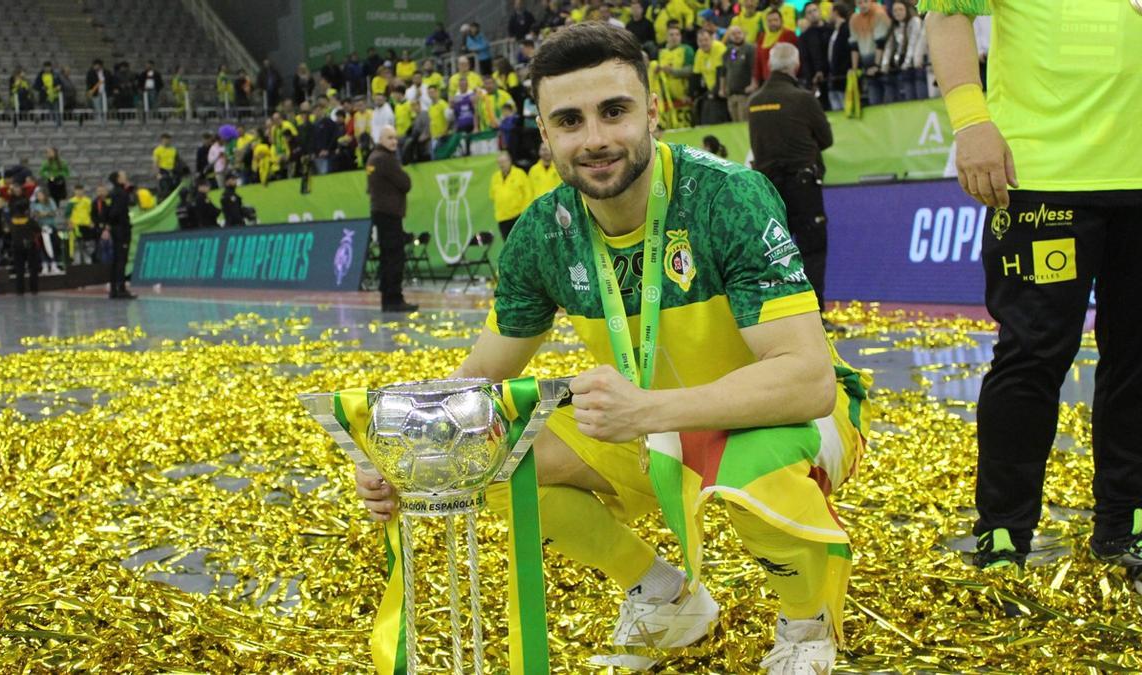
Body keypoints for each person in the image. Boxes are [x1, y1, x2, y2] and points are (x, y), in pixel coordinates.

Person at [355, 23, 870, 673]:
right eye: (569, 120)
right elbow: (482, 375)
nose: (594, 138)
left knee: (749, 462)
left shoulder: (725, 198)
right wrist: (407, 452)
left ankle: (807, 623)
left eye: (614, 111)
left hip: (782, 416)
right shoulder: (544, 233)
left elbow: (806, 380)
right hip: (649, 418)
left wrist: (649, 411)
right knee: (489, 454)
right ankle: (666, 596)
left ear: (653, 112)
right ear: (545, 135)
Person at [920, 0, 1142, 586]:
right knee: (1031, 358)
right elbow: (945, 12)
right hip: (1041, 176)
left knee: (1137, 358)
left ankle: (1127, 520)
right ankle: (1004, 531)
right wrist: (971, 121)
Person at [749, 43, 833, 319]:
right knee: (812, 248)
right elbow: (826, 139)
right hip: (803, 185)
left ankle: (781, 314)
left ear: (770, 65)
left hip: (769, 188)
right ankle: (814, 314)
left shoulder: (755, 102)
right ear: (796, 66)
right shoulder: (803, 99)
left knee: (775, 252)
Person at [366, 125, 417, 313]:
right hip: (390, 213)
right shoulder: (385, 159)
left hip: (380, 212)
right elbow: (406, 183)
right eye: (389, 138)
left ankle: (387, 299)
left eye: (395, 138)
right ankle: (394, 299)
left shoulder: (372, 158)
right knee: (395, 257)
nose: (394, 141)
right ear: (380, 140)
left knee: (386, 256)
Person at [881, 0, 926, 102]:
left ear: (907, 10)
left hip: (917, 64)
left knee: (920, 97)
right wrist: (885, 64)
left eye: (900, 9)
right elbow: (889, 47)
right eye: (895, 10)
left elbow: (913, 43)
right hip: (902, 67)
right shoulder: (894, 26)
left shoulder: (914, 21)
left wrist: (907, 63)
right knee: (905, 96)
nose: (898, 13)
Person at [849, 0, 891, 105]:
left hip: (883, 62)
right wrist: (854, 68)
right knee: (873, 98)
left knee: (889, 96)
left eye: (865, 1)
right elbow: (854, 46)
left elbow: (881, 43)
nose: (863, 5)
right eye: (859, 3)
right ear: (855, 4)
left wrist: (877, 65)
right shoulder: (854, 19)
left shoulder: (879, 14)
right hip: (866, 63)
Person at [105, 171, 136, 299]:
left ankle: (114, 289)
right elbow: (116, 212)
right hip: (121, 230)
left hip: (115, 229)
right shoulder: (121, 194)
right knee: (121, 259)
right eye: (123, 176)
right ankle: (121, 288)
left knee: (116, 259)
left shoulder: (112, 193)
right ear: (118, 179)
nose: (126, 177)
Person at [489, 151, 531, 242]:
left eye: (504, 162)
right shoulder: (495, 177)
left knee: (522, 242)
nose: (502, 165)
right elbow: (492, 196)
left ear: (509, 161)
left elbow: (528, 194)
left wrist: (524, 213)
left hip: (518, 217)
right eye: (499, 162)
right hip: (502, 218)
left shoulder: (519, 174)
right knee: (508, 244)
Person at [7, 181, 41, 294]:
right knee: (33, 268)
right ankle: (34, 289)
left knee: (19, 269)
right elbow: (38, 229)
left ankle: (20, 290)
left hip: (17, 246)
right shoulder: (29, 220)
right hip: (29, 246)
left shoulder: (12, 221)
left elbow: (10, 232)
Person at [753, 8, 799, 88]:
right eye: (769, 21)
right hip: (766, 82)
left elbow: (796, 58)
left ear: (781, 21)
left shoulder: (789, 34)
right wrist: (755, 81)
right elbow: (758, 61)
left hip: (786, 81)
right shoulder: (762, 38)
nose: (773, 23)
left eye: (775, 20)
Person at [692, 28, 728, 126]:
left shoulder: (719, 47)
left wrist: (713, 92)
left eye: (706, 40)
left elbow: (722, 72)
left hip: (723, 88)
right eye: (700, 41)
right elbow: (696, 75)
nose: (703, 43)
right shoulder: (699, 52)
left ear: (712, 39)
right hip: (710, 89)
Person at [799, 2, 832, 109]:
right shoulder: (804, 37)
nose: (813, 14)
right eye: (809, 12)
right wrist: (810, 81)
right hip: (817, 80)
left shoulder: (831, 30)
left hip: (835, 76)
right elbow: (805, 60)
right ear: (806, 16)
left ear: (820, 11)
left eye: (814, 10)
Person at [720, 25, 757, 122]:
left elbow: (754, 68)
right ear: (729, 37)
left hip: (744, 93)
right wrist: (722, 88)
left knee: (744, 121)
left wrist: (753, 84)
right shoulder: (728, 51)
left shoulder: (750, 49)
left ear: (744, 34)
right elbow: (723, 71)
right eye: (733, 34)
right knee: (735, 123)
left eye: (739, 33)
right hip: (731, 94)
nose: (737, 36)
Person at [825, 4, 853, 111]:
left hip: (843, 77)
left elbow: (846, 53)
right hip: (834, 77)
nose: (828, 15)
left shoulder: (846, 29)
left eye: (830, 12)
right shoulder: (834, 31)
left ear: (836, 13)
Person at [30, 186, 62, 274]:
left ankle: (53, 264)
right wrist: (39, 214)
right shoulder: (35, 204)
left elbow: (54, 212)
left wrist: (46, 213)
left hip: (51, 226)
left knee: (52, 246)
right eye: (37, 195)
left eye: (41, 195)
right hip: (40, 228)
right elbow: (33, 214)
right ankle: (45, 265)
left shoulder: (50, 201)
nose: (39, 197)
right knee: (42, 247)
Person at [66, 184, 95, 265]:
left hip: (86, 225)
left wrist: (91, 222)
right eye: (77, 190)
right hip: (76, 226)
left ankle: (88, 260)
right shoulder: (71, 202)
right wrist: (69, 223)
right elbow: (67, 214)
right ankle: (77, 261)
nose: (79, 192)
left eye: (80, 190)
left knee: (87, 244)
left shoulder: (88, 201)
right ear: (74, 191)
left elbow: (92, 213)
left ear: (83, 191)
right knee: (76, 244)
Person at [153, 134, 179, 199]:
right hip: (163, 171)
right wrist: (157, 174)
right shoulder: (157, 150)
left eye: (168, 140)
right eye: (165, 140)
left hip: (172, 171)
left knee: (172, 190)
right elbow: (155, 163)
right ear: (162, 140)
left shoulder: (173, 150)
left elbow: (177, 162)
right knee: (164, 190)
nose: (167, 142)